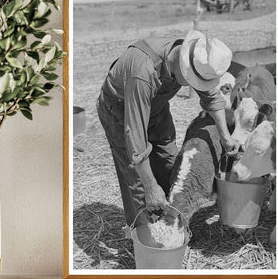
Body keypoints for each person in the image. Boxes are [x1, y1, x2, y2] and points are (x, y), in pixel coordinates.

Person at [97, 30, 237, 228]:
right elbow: (136, 141)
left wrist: (225, 137)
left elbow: (212, 98)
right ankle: (148, 237)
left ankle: (170, 220)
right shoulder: (143, 72)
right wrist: (150, 187)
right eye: (193, 81)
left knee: (169, 160)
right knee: (138, 179)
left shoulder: (195, 57)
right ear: (182, 65)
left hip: (157, 106)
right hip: (121, 110)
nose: (195, 86)